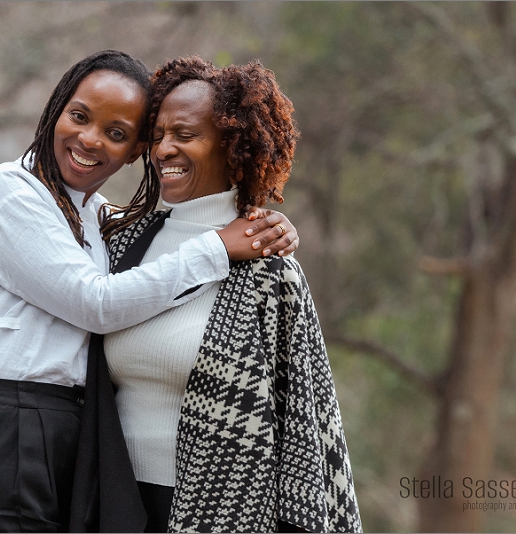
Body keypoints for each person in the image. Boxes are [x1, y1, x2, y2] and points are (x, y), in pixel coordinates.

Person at [0, 50, 298, 533]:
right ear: (57, 109)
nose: (89, 139)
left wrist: (271, 226)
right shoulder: (9, 190)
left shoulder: (103, 224)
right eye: (78, 116)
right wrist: (218, 247)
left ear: (133, 150)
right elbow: (96, 303)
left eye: (116, 133)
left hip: (71, 441)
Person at [71, 56, 362, 533]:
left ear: (233, 147)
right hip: (112, 502)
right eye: (158, 135)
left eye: (185, 135)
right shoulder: (116, 242)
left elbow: (307, 422)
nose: (165, 149)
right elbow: (65, 314)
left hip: (225, 510)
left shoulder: (269, 267)